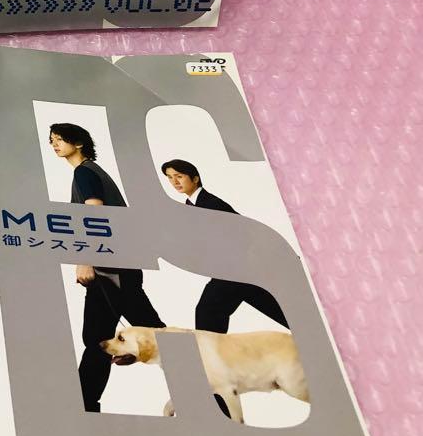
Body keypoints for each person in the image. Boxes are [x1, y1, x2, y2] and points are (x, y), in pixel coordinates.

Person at [49, 122, 164, 412]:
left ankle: (208, 392)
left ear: (78, 143)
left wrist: (85, 259)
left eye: (60, 139)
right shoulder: (90, 172)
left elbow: (95, 215)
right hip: (115, 267)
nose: (55, 144)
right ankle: (84, 407)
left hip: (111, 269)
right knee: (102, 339)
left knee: (152, 335)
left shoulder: (84, 172)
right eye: (52, 140)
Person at [160, 159, 289, 333]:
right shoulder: (191, 205)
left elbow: (243, 233)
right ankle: (315, 329)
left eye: (179, 176)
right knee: (278, 308)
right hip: (240, 272)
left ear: (195, 178)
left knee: (208, 311)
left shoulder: (211, 204)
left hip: (236, 269)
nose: (174, 182)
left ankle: (210, 351)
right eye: (170, 177)